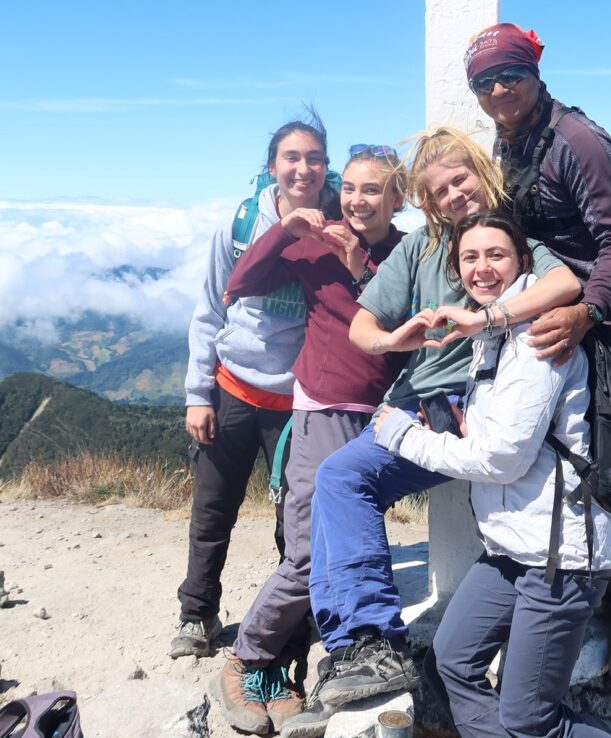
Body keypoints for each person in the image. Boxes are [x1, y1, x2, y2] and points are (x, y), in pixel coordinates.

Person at [284, 127, 580, 733]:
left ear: (481, 173)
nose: (450, 196)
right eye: (437, 190)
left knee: (343, 477)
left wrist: (485, 318)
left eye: (459, 180)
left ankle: (369, 642)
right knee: (340, 480)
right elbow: (364, 323)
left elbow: (565, 284)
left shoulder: (509, 237)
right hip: (415, 401)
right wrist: (392, 340)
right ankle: (366, 642)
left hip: (468, 404)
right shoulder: (419, 249)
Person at [464, 23, 611, 681]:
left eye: (509, 75)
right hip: (536, 325)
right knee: (555, 464)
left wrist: (588, 312)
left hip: (591, 327)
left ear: (534, 73)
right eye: (484, 81)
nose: (498, 89)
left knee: (609, 466)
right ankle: (557, 586)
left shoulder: (577, 141)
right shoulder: (511, 138)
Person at [375, 210, 611, 737]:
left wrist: (402, 436)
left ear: (523, 263)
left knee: (531, 720)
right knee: (449, 662)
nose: (482, 268)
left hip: (560, 558)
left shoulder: (537, 337)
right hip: (511, 548)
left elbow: (504, 458)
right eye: (470, 258)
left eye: (496, 255)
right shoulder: (494, 333)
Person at [207, 138, 409, 734]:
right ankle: (246, 658)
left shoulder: (407, 253)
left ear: (398, 198)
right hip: (322, 410)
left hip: (382, 416)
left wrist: (360, 272)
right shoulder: (312, 242)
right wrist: (284, 228)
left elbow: (408, 322)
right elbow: (240, 283)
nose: (356, 199)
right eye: (349, 187)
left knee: (344, 542)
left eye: (372, 189)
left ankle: (329, 653)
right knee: (305, 552)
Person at [174, 112, 339, 662]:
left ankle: (290, 620)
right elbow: (209, 308)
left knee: (294, 519)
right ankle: (197, 614)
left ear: (325, 166)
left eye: (314, 158)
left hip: (299, 400)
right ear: (271, 167)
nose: (303, 168)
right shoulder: (242, 224)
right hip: (233, 386)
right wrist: (198, 393)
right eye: (291, 157)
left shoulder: (339, 223)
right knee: (213, 509)